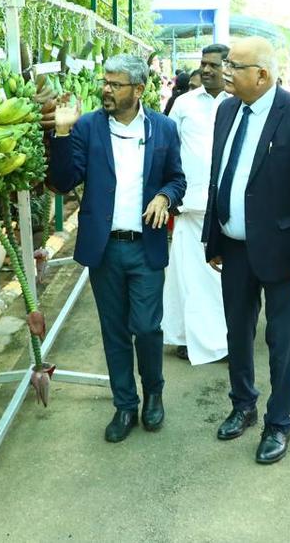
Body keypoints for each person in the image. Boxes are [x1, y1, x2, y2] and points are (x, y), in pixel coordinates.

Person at [46, 54, 187, 443]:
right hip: (105, 248)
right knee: (114, 330)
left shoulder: (163, 129)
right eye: (105, 82)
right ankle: (125, 404)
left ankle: (153, 391)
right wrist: (60, 134)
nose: (105, 89)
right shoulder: (88, 127)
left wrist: (164, 196)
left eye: (115, 84)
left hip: (145, 247)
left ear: (138, 90)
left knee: (146, 326)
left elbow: (177, 179)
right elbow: (63, 180)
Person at [204, 36, 290, 465]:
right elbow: (221, 175)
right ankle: (243, 405)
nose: (225, 72)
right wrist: (213, 236)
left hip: (284, 253)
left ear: (262, 74)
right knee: (237, 333)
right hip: (234, 248)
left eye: (234, 66)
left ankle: (279, 423)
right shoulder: (227, 109)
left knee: (281, 343)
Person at [162, 45, 231, 364]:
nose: (206, 70)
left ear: (227, 68)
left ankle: (227, 342)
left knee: (224, 282)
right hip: (190, 207)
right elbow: (167, 149)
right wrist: (169, 194)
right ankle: (186, 337)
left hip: (229, 209)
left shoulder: (240, 103)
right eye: (203, 64)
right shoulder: (183, 104)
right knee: (188, 278)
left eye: (213, 65)